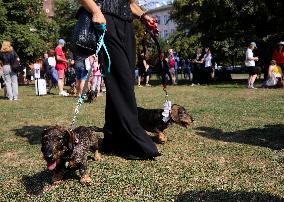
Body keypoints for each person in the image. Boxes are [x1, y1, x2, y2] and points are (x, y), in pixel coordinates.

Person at [80, 0, 160, 160]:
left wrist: (143, 15)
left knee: (122, 82)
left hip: (126, 25)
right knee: (121, 81)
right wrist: (95, 10)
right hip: (105, 21)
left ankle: (113, 138)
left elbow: (129, 3)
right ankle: (134, 140)